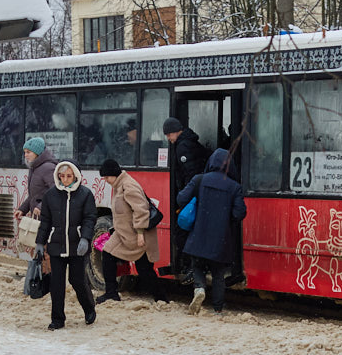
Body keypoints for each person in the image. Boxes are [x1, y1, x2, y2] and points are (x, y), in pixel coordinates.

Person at [177, 148, 247, 315]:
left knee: (197, 265)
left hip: (199, 234)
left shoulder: (199, 180)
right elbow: (239, 213)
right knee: (218, 274)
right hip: (221, 238)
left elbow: (181, 198)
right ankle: (217, 308)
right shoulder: (234, 187)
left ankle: (199, 288)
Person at [35, 161, 97, 329]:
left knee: (77, 280)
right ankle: (57, 319)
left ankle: (89, 309)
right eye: (62, 176)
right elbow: (45, 221)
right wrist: (40, 242)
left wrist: (85, 238)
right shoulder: (50, 195)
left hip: (77, 247)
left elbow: (90, 219)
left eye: (69, 176)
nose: (65, 179)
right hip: (56, 246)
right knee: (57, 284)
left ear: (75, 175)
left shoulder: (85, 194)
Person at [96, 158, 166, 303]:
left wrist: (140, 233)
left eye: (107, 177)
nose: (106, 180)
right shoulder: (118, 185)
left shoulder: (129, 186)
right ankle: (111, 292)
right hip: (123, 234)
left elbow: (141, 210)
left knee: (144, 270)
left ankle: (161, 297)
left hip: (138, 235)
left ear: (114, 174)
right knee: (107, 253)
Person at [163, 117, 210, 283]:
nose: (168, 138)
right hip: (198, 195)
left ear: (176, 131)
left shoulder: (183, 147)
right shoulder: (191, 142)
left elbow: (190, 174)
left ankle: (192, 268)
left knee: (182, 233)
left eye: (169, 134)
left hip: (191, 197)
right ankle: (195, 267)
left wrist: (184, 196)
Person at [14, 136, 56, 221]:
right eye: (24, 152)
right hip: (38, 217)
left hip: (48, 218)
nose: (25, 155)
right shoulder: (34, 168)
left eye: (28, 152)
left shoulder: (48, 168)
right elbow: (34, 196)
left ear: (37, 152)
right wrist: (22, 209)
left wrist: (41, 207)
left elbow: (56, 192)